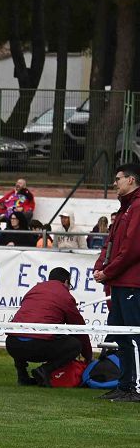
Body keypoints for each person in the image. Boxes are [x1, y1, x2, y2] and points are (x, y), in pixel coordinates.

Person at [94, 163, 140, 402]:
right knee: (120, 335)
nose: (115, 183)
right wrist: (100, 267)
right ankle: (125, 385)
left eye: (118, 178)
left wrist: (108, 271)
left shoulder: (137, 207)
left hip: (133, 284)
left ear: (131, 180)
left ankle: (135, 387)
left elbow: (131, 249)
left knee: (133, 335)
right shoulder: (126, 208)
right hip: (120, 283)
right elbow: (110, 244)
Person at [5, 267, 92, 387]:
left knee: (21, 333)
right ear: (66, 282)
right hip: (37, 345)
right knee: (75, 345)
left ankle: (22, 375)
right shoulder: (65, 296)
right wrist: (88, 356)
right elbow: (79, 328)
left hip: (12, 344)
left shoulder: (34, 289)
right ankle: (45, 370)